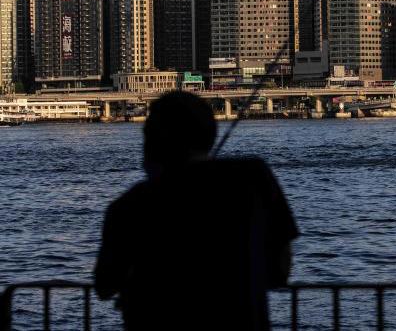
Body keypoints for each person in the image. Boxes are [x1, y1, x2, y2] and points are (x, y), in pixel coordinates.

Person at [94, 91, 299, 330]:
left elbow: (105, 285)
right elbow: (279, 271)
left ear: (154, 142)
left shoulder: (128, 206)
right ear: (209, 135)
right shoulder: (253, 177)